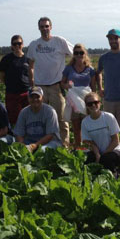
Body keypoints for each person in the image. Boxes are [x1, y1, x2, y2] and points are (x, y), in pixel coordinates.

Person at [27, 17, 73, 147]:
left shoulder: (59, 41)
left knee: (61, 118)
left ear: (51, 27)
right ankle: (43, 146)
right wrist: (32, 84)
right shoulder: (34, 45)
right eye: (42, 26)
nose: (44, 29)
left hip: (56, 86)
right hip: (40, 87)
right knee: (42, 118)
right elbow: (30, 65)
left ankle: (64, 146)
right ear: (39, 28)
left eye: (46, 26)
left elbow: (75, 54)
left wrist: (68, 74)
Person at [61, 43, 96, 149]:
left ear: (85, 54)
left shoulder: (90, 69)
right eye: (76, 53)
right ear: (73, 55)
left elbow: (93, 87)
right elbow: (62, 83)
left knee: (87, 125)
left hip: (86, 100)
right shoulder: (69, 68)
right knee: (76, 127)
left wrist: (94, 101)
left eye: (81, 53)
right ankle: (78, 147)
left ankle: (88, 148)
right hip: (74, 101)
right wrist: (67, 85)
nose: (79, 55)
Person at [81, 92, 120, 172]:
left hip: (113, 150)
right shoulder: (85, 122)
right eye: (90, 104)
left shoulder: (108, 117)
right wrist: (97, 155)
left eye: (95, 102)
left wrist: (103, 155)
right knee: (87, 159)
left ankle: (114, 175)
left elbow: (115, 141)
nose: (93, 105)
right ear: (86, 106)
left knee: (107, 160)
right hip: (97, 152)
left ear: (100, 103)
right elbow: (90, 143)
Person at [14, 86, 62, 152]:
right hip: (29, 142)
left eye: (37, 97)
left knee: (41, 151)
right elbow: (19, 134)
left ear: (42, 98)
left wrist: (34, 146)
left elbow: (50, 135)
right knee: (16, 149)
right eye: (32, 97)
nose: (35, 99)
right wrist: (22, 146)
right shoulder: (23, 112)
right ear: (28, 99)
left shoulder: (50, 111)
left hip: (50, 142)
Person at [0, 35, 29, 125]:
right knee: (13, 118)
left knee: (27, 117)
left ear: (22, 44)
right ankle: (14, 137)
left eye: (19, 43)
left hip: (26, 93)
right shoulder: (6, 59)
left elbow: (32, 75)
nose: (17, 46)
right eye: (14, 44)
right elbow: (2, 76)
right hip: (12, 93)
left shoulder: (28, 59)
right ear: (11, 45)